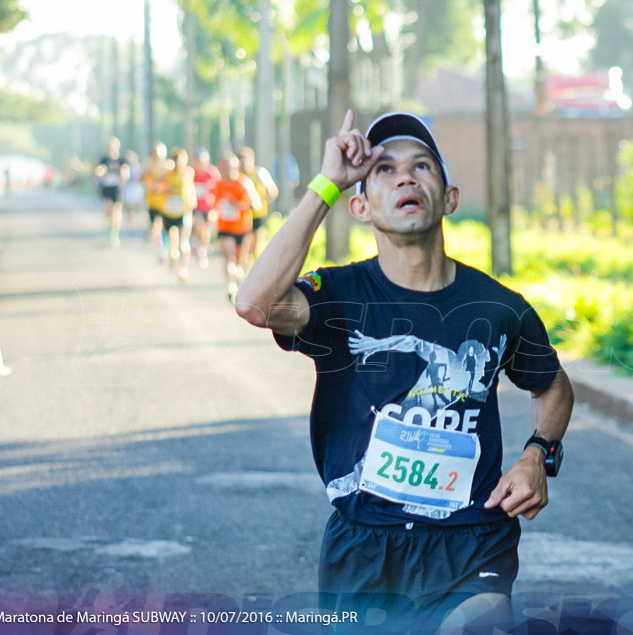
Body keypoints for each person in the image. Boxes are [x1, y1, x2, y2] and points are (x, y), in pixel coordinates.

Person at [235, 111, 574, 632]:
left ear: (449, 198)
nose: (406, 178)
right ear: (361, 206)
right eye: (386, 171)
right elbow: (255, 303)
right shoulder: (340, 297)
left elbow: (550, 385)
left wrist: (538, 454)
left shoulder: (498, 307)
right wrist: (325, 185)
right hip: (365, 545)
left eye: (422, 167)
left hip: (472, 540)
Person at [211, 154, 259, 303]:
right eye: (226, 168)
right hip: (225, 227)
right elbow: (216, 204)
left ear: (237, 167)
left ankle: (241, 287)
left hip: (242, 228)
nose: (228, 171)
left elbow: (255, 204)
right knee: (229, 258)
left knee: (240, 263)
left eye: (232, 168)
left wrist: (238, 205)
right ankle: (231, 288)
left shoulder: (244, 183)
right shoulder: (219, 184)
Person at [156, 148, 198, 282]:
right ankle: (173, 258)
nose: (178, 163)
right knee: (172, 240)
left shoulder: (188, 173)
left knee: (184, 241)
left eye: (180, 160)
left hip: (184, 211)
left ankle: (183, 269)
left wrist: (192, 204)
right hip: (169, 211)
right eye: (175, 160)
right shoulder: (166, 175)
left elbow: (191, 190)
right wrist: (166, 190)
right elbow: (156, 188)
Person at [238, 146, 278, 271]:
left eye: (246, 159)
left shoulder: (259, 173)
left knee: (255, 247)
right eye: (241, 160)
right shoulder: (237, 175)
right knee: (243, 248)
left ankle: (253, 271)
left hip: (258, 214)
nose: (244, 163)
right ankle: (245, 272)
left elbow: (272, 192)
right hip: (241, 216)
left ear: (252, 159)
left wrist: (261, 201)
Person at [95, 137, 130, 247]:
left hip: (117, 189)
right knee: (108, 211)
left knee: (117, 212)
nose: (112, 149)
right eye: (110, 147)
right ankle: (110, 227)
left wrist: (122, 173)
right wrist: (101, 171)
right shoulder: (104, 160)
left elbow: (126, 174)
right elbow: (97, 171)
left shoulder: (121, 160)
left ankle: (115, 233)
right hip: (106, 188)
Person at [191, 148, 221, 268]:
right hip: (196, 206)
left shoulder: (213, 173)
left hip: (210, 206)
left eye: (202, 161)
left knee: (207, 229)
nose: (200, 164)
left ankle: (202, 249)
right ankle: (195, 240)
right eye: (198, 161)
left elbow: (219, 189)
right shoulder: (192, 173)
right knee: (199, 225)